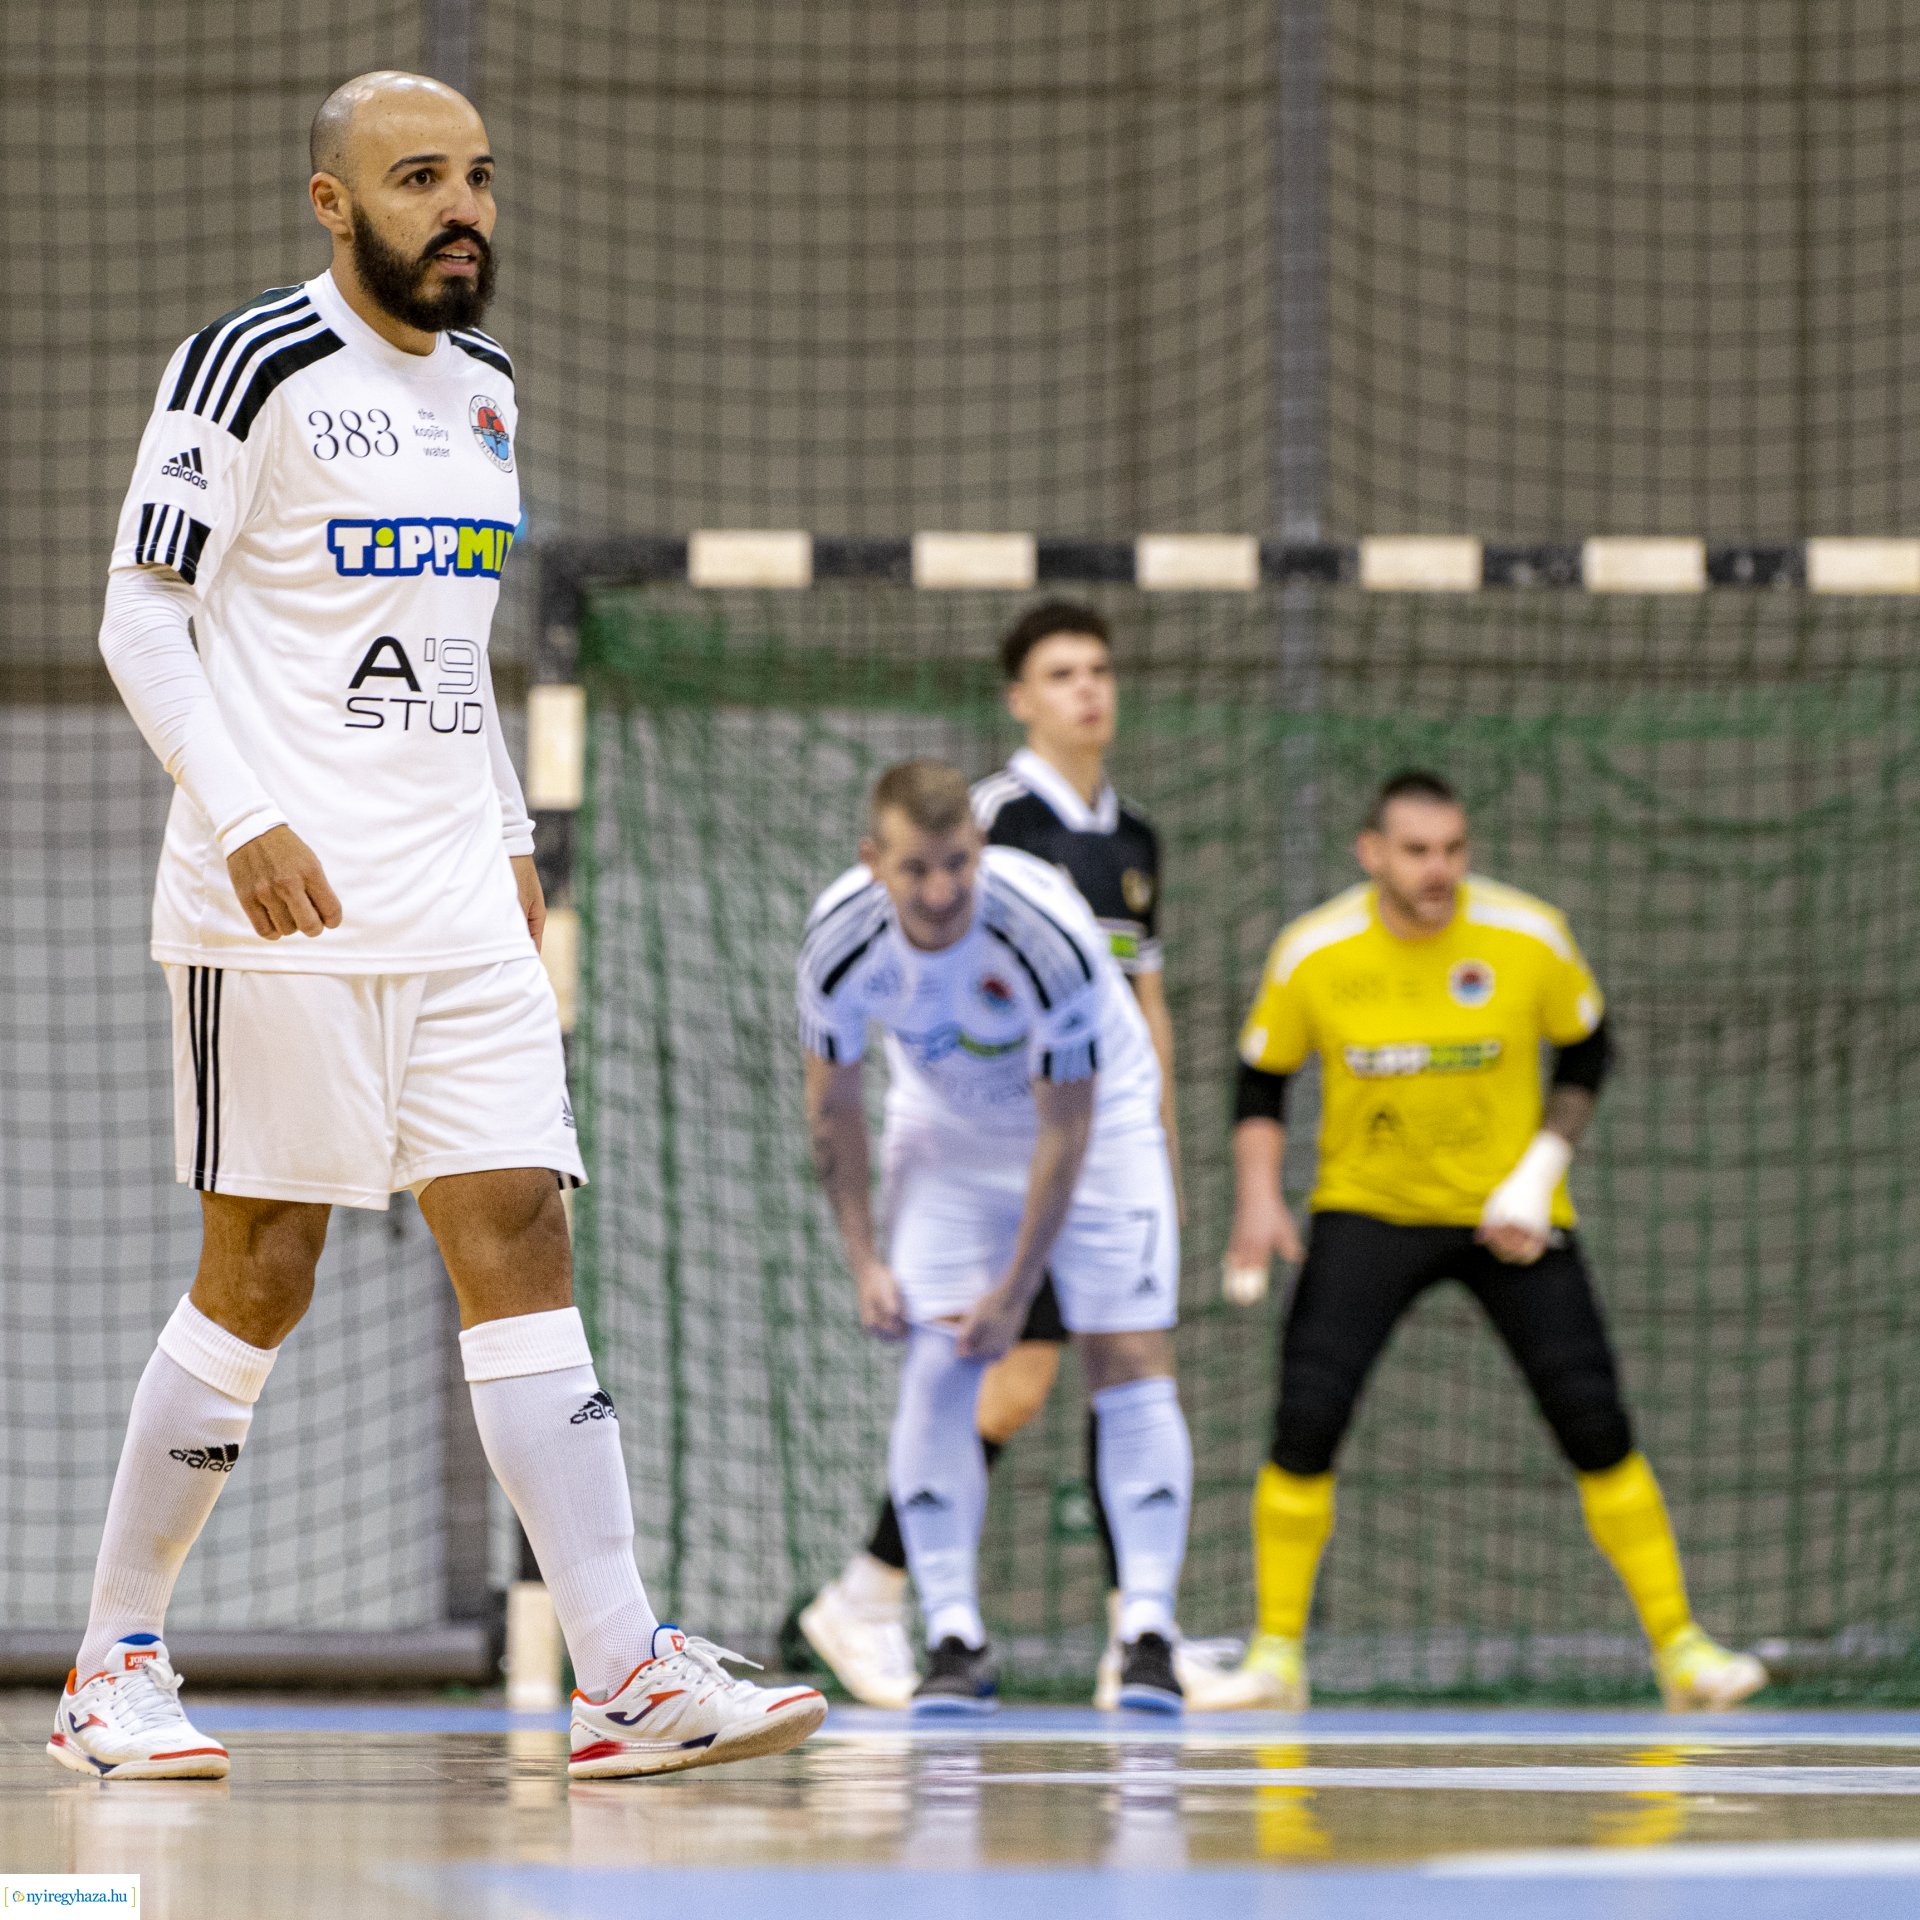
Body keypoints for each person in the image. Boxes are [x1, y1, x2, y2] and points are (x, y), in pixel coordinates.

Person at [54, 70, 823, 1783]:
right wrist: (244, 818)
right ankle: (113, 1661)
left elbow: (457, 657)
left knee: (522, 1233)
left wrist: (511, 847)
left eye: (477, 175)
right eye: (418, 179)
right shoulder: (248, 365)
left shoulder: (485, 388)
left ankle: (622, 1670)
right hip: (282, 910)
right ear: (335, 206)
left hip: (460, 907)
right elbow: (138, 611)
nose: (461, 207)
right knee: (264, 1270)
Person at [1222, 770, 1767, 1711]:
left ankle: (1682, 1650)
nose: (1438, 870)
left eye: (1453, 850)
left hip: (1508, 1218)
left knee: (1594, 1420)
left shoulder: (1529, 935)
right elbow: (1260, 1077)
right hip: (1367, 1208)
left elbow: (1588, 1049)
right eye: (1417, 851)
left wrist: (1535, 1176)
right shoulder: (1313, 950)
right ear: (1373, 854)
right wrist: (1258, 1201)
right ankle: (1275, 1658)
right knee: (1305, 1418)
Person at [797, 604, 1236, 1709]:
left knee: (1124, 1356)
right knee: (947, 1360)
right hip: (947, 1128)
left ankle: (1145, 1635)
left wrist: (1021, 1280)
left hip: (1092, 1122)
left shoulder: (1045, 932)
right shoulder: (840, 941)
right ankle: (948, 1636)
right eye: (915, 872)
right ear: (874, 863)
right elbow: (833, 1112)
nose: (938, 894)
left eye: (956, 869)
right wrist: (864, 1262)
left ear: (977, 859)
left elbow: (1072, 1122)